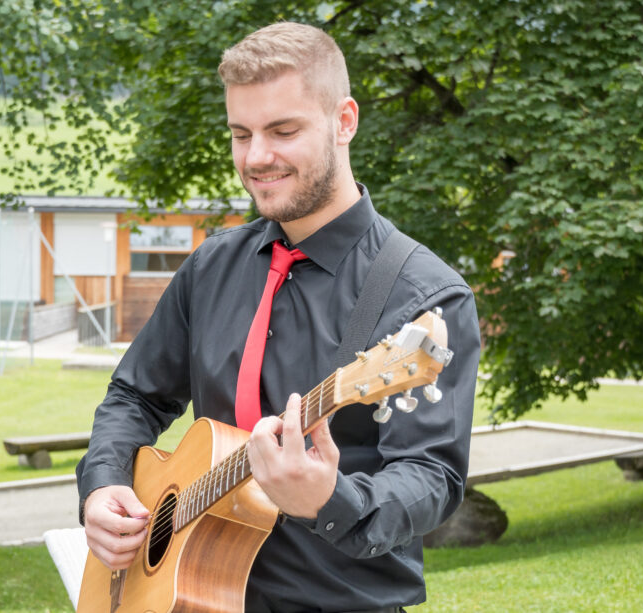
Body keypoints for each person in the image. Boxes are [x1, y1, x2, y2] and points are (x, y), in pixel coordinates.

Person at [77, 21, 481, 613]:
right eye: (240, 134)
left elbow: (430, 477)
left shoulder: (423, 295)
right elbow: (134, 395)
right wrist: (104, 483)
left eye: (283, 131)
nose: (256, 157)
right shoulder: (211, 265)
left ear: (345, 121)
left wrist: (330, 499)